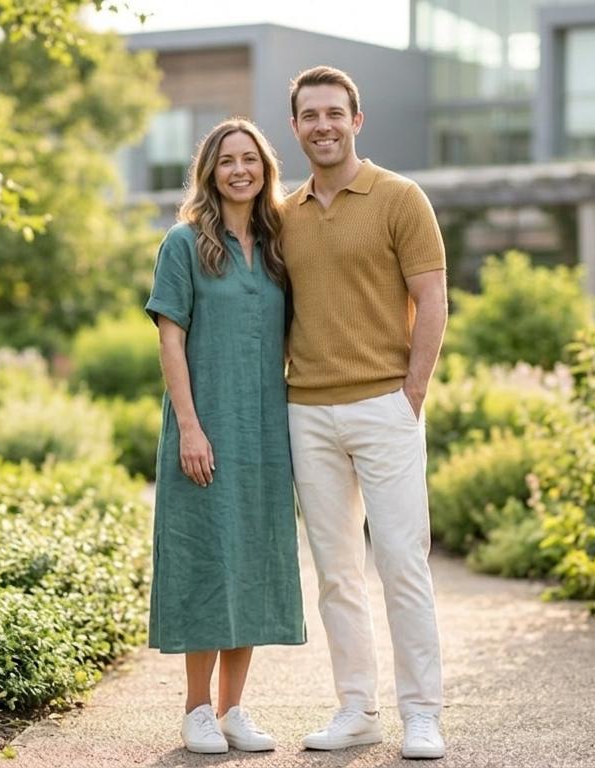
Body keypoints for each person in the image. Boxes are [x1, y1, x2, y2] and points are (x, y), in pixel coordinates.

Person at [281, 65, 448, 760]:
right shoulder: (282, 216)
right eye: (309, 115)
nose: (322, 125)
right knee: (336, 573)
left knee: (402, 563)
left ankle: (422, 714)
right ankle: (357, 709)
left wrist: (412, 393)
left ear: (356, 120)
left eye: (333, 113)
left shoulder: (400, 197)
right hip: (307, 412)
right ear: (295, 127)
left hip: (385, 405)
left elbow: (432, 299)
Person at [144, 118, 306, 755]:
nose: (240, 170)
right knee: (208, 559)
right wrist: (190, 426)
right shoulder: (184, 244)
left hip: (263, 430)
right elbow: (170, 339)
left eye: (250, 159)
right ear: (209, 172)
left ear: (266, 169)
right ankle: (196, 711)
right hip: (205, 425)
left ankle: (234, 708)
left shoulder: (276, 247)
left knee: (252, 560)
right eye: (227, 160)